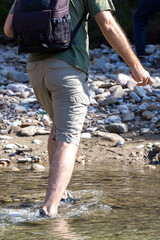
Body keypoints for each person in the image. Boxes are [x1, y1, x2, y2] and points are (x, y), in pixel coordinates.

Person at [4, 0, 152, 218]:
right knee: (68, 138)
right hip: (68, 70)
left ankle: (61, 194)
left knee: (58, 126)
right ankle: (49, 209)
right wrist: (135, 65)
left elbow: (8, 29)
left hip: (35, 69)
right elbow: (107, 24)